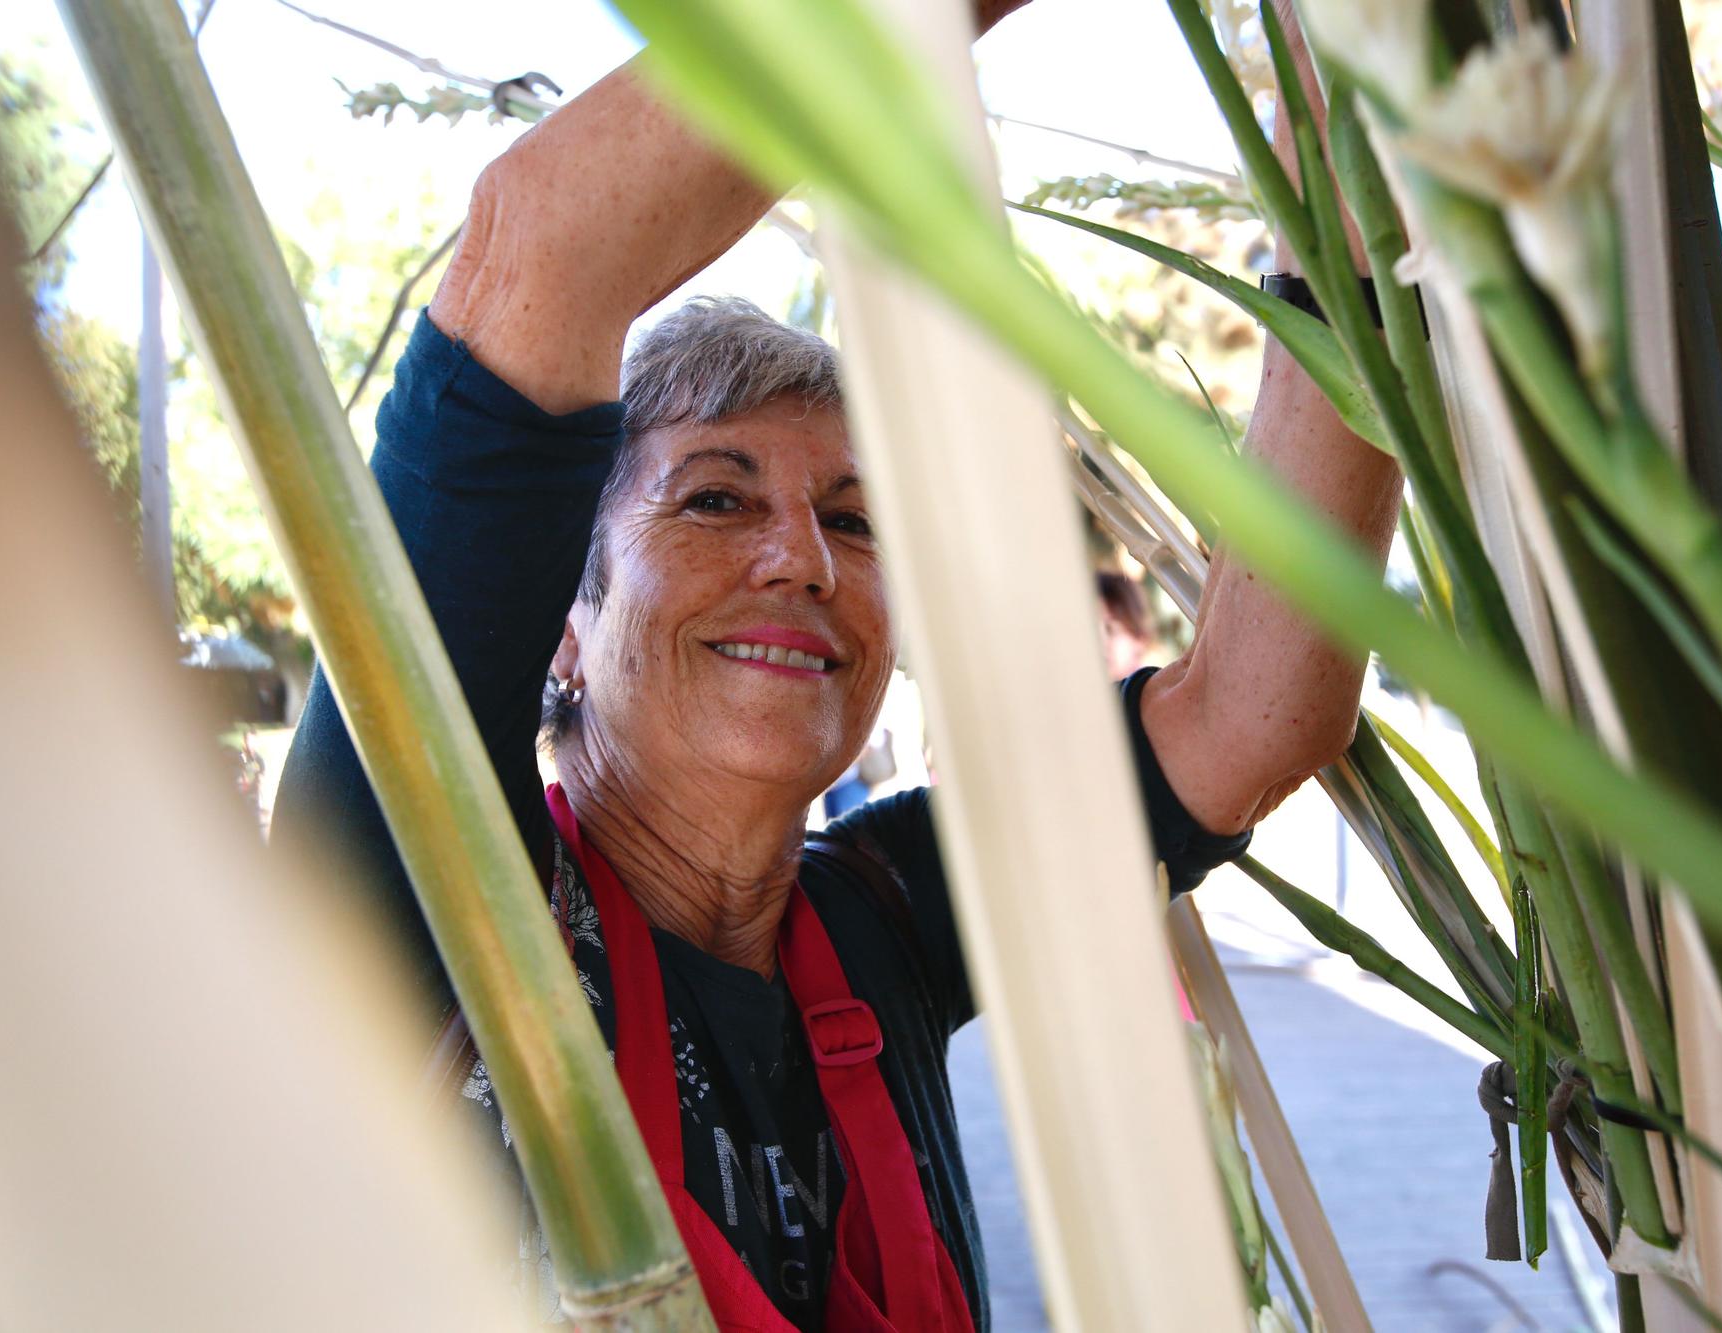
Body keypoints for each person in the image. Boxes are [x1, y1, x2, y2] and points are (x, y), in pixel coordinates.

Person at [272, 2, 1402, 1327]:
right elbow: (541, 246)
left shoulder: (884, 921)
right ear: (565, 624)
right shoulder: (435, 887)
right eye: (714, 500)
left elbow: (1257, 712)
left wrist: (1352, 206)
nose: (801, 559)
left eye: (854, 519)